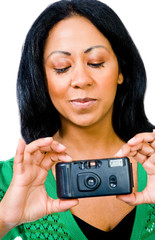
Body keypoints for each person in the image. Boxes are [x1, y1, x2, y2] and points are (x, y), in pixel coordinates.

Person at [0, 0, 155, 239]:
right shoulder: (11, 179)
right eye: (61, 68)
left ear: (121, 71)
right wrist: (5, 218)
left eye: (96, 62)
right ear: (42, 79)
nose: (81, 79)